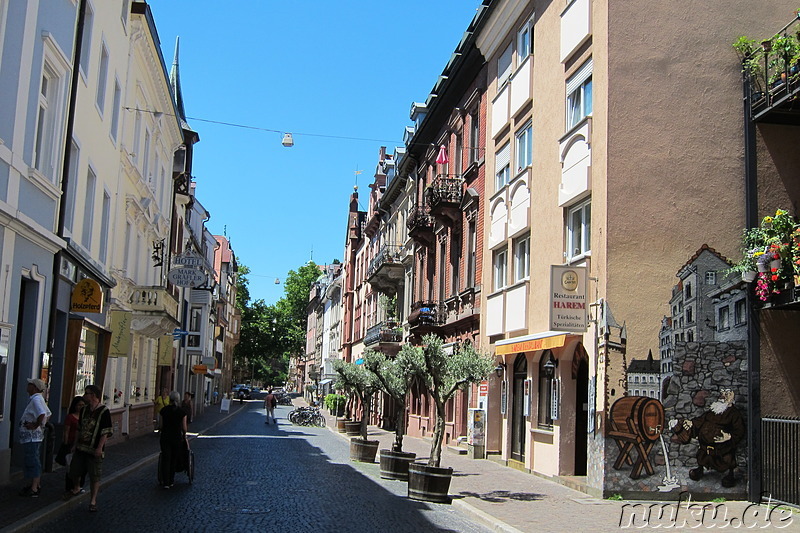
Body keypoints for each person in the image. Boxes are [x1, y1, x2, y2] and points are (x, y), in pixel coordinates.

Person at [671, 388, 745, 488]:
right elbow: (701, 420)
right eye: (722, 392)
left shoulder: (734, 414)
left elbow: (739, 430)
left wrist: (729, 436)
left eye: (727, 393)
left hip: (722, 448)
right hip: (705, 446)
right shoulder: (713, 411)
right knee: (702, 457)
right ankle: (700, 470)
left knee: (727, 460)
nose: (723, 395)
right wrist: (692, 423)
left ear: (732, 398)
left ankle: (730, 475)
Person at [64, 384, 113, 512]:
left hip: (94, 449)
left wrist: (99, 448)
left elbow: (105, 432)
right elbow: (79, 429)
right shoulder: (84, 410)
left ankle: (93, 500)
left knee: (94, 475)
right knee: (74, 470)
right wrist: (75, 444)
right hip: (81, 447)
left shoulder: (104, 411)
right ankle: (76, 487)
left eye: (87, 393)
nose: (84, 395)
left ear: (94, 395)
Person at [19, 378, 51, 497]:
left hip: (32, 437)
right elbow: (48, 413)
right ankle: (34, 484)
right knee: (31, 459)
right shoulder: (38, 398)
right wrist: (41, 425)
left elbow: (42, 413)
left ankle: (34, 487)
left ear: (35, 388)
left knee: (32, 460)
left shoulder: (36, 399)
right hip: (33, 436)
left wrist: (35, 425)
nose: (27, 386)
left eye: (30, 384)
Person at [159, 391, 188, 488]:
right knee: (173, 459)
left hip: (165, 437)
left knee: (166, 459)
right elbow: (184, 428)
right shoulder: (182, 412)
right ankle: (171, 480)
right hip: (176, 438)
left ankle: (165, 482)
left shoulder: (164, 410)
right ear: (178, 400)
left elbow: (161, 425)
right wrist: (184, 435)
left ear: (170, 399)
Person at [62, 395, 87, 492]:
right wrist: (66, 443)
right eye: (79, 405)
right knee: (71, 467)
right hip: (72, 443)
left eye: (82, 405)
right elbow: (66, 431)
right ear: (74, 406)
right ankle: (70, 486)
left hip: (82, 444)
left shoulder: (85, 416)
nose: (80, 407)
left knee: (82, 467)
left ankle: (79, 486)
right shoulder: (70, 417)